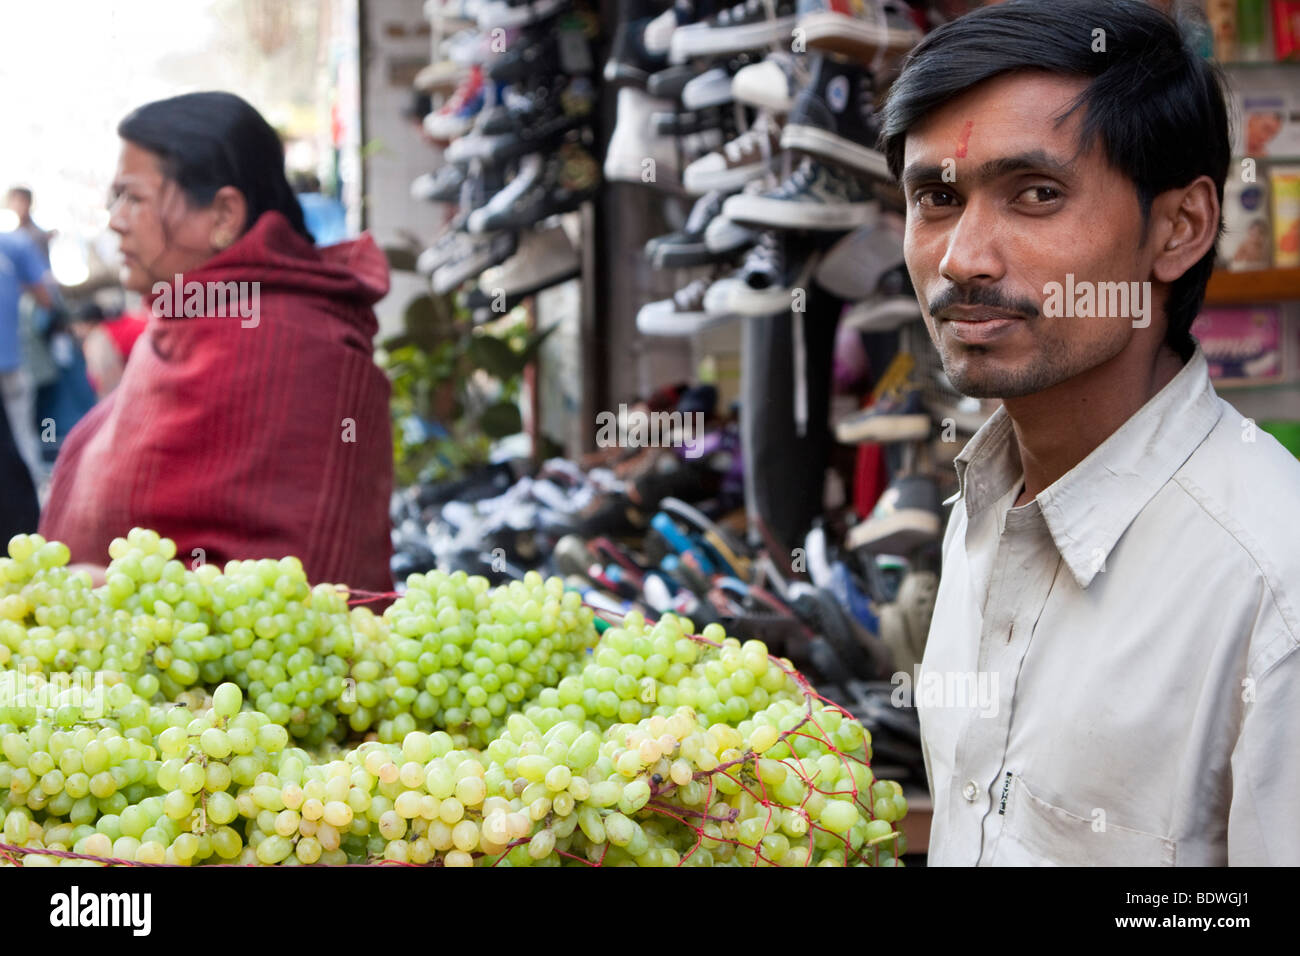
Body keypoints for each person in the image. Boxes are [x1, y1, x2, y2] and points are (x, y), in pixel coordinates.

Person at [880, 0, 1300, 865]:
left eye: (1035, 194)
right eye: (936, 197)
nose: (963, 257)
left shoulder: (1271, 588)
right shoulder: (984, 507)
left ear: (1179, 228)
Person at [40, 91, 394, 593]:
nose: (115, 221)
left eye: (134, 198)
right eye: (114, 200)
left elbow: (296, 592)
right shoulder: (184, 315)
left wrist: (128, 595)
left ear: (224, 215)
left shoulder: (297, 342)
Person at [0, 226, 53, 483]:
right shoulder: (14, 244)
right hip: (11, 361)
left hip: (11, 363)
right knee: (23, 437)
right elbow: (46, 296)